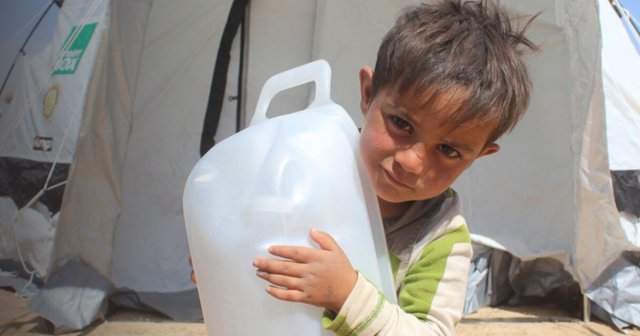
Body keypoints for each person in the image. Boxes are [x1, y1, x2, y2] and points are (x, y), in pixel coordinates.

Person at [250, 1, 538, 335]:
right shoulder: (304, 170)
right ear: (368, 93)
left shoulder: (440, 240)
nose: (411, 162)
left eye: (447, 149)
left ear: (478, 156)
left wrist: (347, 295)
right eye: (401, 123)